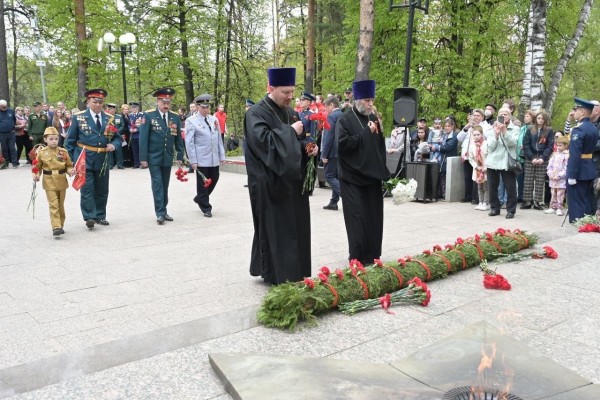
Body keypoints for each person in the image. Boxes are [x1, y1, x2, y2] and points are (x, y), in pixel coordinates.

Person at [244, 67, 317, 284]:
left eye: (292, 92)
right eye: (285, 92)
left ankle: (297, 269)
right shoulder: (255, 114)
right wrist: (291, 132)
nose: (290, 97)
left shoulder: (290, 112)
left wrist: (308, 147)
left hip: (292, 182)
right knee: (276, 229)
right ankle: (277, 273)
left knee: (296, 226)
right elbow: (264, 143)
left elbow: (298, 141)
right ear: (271, 88)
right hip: (269, 183)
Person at [337, 79, 389, 265]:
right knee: (357, 218)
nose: (370, 104)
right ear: (357, 100)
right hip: (352, 177)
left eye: (372, 100)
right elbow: (343, 146)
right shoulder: (344, 119)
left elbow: (379, 147)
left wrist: (383, 171)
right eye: (367, 100)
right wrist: (365, 134)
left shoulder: (373, 118)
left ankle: (372, 253)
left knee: (373, 217)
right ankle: (357, 255)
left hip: (372, 177)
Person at [64, 88, 120, 229]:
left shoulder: (109, 118)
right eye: (95, 101)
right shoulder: (79, 117)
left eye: (100, 102)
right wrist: (70, 162)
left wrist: (114, 145)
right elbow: (70, 141)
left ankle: (100, 215)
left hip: (102, 159)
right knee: (87, 189)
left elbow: (118, 138)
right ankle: (89, 216)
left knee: (102, 189)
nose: (97, 104)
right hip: (84, 158)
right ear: (88, 102)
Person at [139, 87, 184, 224]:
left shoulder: (174, 117)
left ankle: (164, 210)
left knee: (165, 184)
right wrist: (143, 158)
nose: (166, 105)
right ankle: (159, 212)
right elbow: (143, 138)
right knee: (157, 184)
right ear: (157, 101)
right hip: (153, 157)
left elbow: (178, 139)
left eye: (168, 102)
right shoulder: (149, 116)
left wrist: (180, 156)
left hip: (167, 156)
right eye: (163, 102)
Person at [185, 95, 225, 218]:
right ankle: (206, 207)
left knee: (215, 178)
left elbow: (218, 138)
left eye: (207, 107)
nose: (205, 110)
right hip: (201, 158)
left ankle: (200, 198)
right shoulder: (191, 121)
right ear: (197, 107)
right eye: (203, 107)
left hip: (213, 157)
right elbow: (189, 142)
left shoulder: (214, 119)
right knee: (203, 183)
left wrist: (222, 155)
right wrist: (193, 160)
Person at [32, 127, 75, 236]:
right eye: (51, 139)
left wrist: (71, 171)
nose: (54, 141)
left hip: (61, 180)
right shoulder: (41, 153)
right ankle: (56, 227)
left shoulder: (63, 152)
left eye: (56, 139)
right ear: (45, 139)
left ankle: (60, 224)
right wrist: (36, 175)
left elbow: (68, 166)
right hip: (49, 181)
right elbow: (37, 167)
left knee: (60, 205)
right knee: (53, 204)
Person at [566, 97, 599, 223]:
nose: (575, 112)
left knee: (576, 201)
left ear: (583, 112)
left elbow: (575, 154)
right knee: (587, 199)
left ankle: (577, 224)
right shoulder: (593, 128)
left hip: (579, 171)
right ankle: (588, 223)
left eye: (577, 110)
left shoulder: (579, 130)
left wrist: (572, 174)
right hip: (589, 168)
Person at [485, 107, 520, 219]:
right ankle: (494, 208)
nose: (504, 116)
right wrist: (496, 134)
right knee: (492, 187)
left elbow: (513, 143)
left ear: (510, 116)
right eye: (501, 114)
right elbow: (490, 147)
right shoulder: (492, 128)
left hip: (507, 162)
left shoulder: (515, 128)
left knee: (510, 187)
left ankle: (511, 210)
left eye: (506, 114)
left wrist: (504, 131)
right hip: (493, 161)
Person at [521, 110, 554, 210]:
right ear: (535, 119)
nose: (540, 120)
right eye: (539, 118)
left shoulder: (549, 130)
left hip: (542, 158)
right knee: (528, 180)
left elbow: (550, 146)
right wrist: (531, 157)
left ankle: (537, 202)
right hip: (530, 157)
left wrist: (543, 158)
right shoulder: (530, 129)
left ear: (545, 120)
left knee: (540, 180)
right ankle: (527, 201)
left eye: (542, 119)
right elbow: (525, 144)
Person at [321, 95, 343, 210]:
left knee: (329, 176)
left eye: (326, 107)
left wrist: (324, 154)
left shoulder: (332, 116)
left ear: (331, 105)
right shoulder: (343, 115)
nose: (326, 110)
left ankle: (345, 194)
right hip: (341, 152)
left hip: (332, 152)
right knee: (337, 177)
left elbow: (328, 137)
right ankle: (334, 202)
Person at [430, 118, 458, 199]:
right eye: (445, 126)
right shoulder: (444, 135)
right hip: (441, 159)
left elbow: (447, 147)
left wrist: (436, 147)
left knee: (446, 177)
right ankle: (440, 194)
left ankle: (446, 195)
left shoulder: (454, 135)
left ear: (452, 126)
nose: (446, 128)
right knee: (441, 176)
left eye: (449, 126)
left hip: (449, 160)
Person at [545, 136, 569, 216]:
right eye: (557, 145)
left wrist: (559, 175)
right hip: (553, 178)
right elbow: (550, 165)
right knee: (553, 192)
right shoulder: (554, 154)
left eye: (560, 145)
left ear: (566, 145)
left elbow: (567, 168)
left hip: (561, 179)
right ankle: (552, 207)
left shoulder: (567, 155)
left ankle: (559, 208)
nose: (558, 147)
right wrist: (550, 173)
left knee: (560, 194)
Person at [468, 125, 489, 211]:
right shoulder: (472, 145)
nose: (476, 137)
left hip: (485, 168)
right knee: (479, 186)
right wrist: (476, 167)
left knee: (486, 187)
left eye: (478, 134)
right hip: (477, 169)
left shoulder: (486, 144)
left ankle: (486, 202)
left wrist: (486, 167)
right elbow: (471, 158)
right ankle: (480, 202)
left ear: (482, 135)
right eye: (474, 135)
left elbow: (489, 156)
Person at [104, 103, 125, 170]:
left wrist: (117, 131)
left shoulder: (119, 116)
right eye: (110, 109)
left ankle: (120, 164)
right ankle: (110, 164)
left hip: (117, 135)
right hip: (108, 135)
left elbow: (122, 125)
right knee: (109, 149)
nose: (112, 110)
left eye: (113, 109)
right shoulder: (106, 117)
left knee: (119, 150)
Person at [0, 99, 19, 168]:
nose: (5, 108)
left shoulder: (10, 111)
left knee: (12, 147)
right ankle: (6, 162)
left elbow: (14, 120)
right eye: (3, 107)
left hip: (11, 133)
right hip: (2, 134)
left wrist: (12, 126)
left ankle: (14, 162)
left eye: (5, 106)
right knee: (4, 148)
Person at [128, 102, 143, 168]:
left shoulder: (141, 115)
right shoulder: (130, 115)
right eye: (132, 107)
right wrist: (130, 129)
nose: (133, 109)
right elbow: (128, 124)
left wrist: (137, 129)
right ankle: (136, 163)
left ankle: (142, 163)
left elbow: (143, 124)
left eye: (135, 107)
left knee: (141, 149)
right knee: (135, 150)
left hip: (139, 134)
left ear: (138, 108)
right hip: (132, 135)